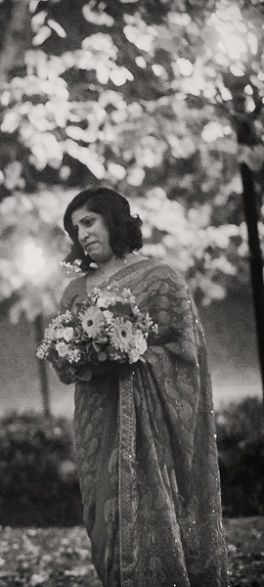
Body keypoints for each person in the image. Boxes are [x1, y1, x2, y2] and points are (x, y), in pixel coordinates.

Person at [58, 186, 228, 586]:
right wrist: (73, 357)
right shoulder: (74, 291)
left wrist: (131, 351)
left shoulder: (160, 278)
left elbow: (187, 353)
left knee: (154, 510)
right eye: (74, 228)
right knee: (104, 515)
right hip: (97, 419)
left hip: (154, 425)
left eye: (88, 222)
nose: (82, 234)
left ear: (114, 220)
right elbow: (64, 361)